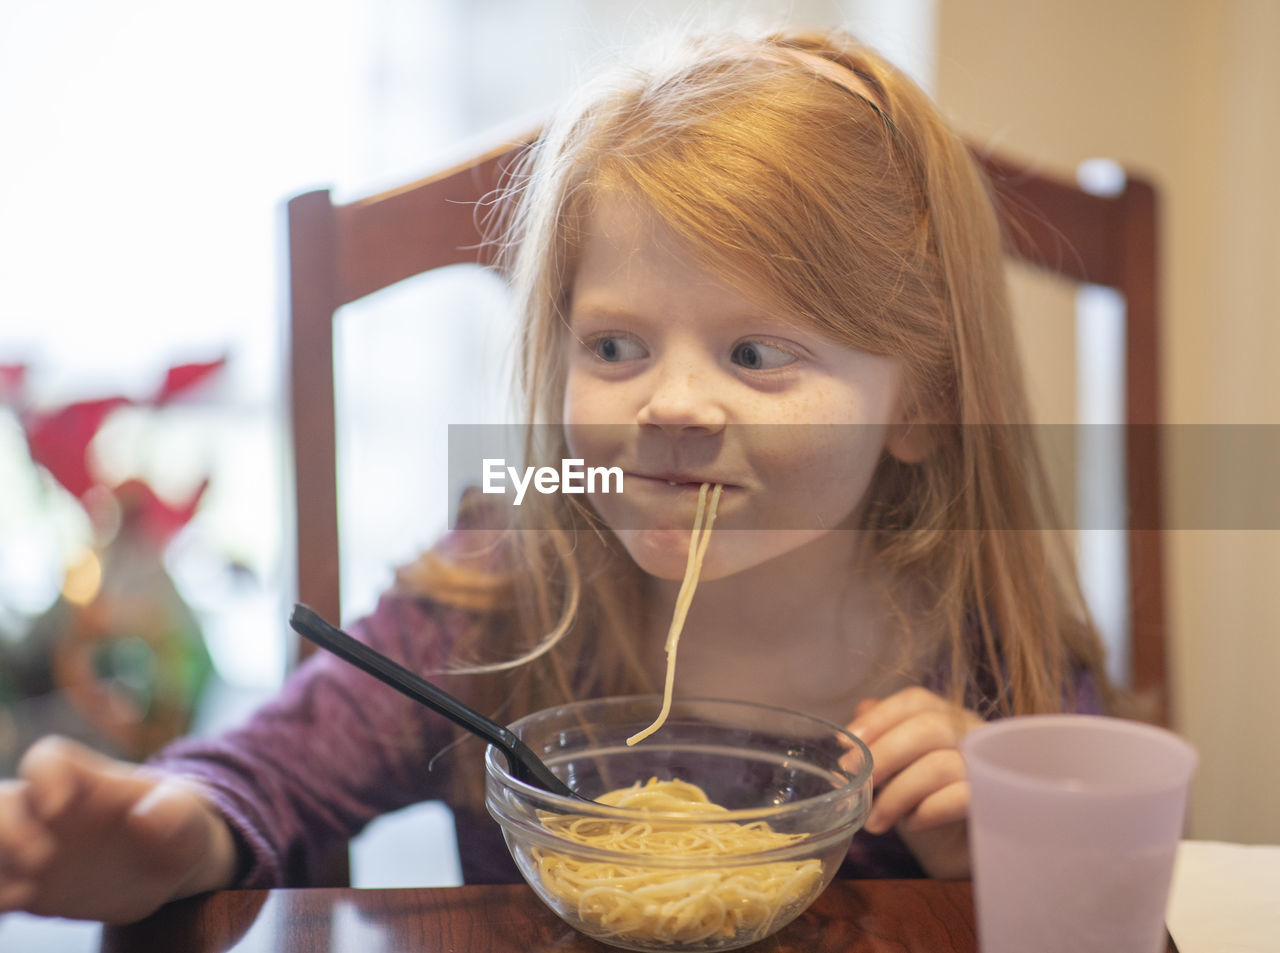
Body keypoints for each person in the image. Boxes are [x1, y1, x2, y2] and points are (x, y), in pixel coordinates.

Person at [0, 26, 1117, 924]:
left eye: (755, 354)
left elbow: (1103, 892)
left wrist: (1002, 850)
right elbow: (275, 773)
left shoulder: (986, 651)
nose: (670, 404)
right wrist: (164, 830)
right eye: (616, 349)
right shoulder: (498, 593)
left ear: (917, 401)